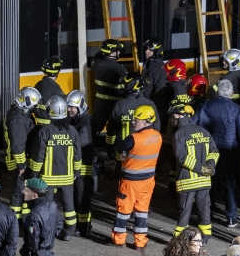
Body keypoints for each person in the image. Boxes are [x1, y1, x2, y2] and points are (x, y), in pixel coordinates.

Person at [27, 96, 82, 240]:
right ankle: (69, 232)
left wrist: (33, 174)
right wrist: (77, 172)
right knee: (69, 206)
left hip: (48, 178)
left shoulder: (45, 131)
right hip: (68, 177)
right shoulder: (72, 131)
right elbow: (77, 154)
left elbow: (38, 155)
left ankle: (47, 231)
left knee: (47, 206)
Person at [196, 79, 240, 229]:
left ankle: (208, 214)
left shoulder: (206, 106)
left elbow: (199, 126)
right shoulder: (236, 108)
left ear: (217, 92)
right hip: (229, 151)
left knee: (209, 183)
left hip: (209, 151)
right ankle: (231, 217)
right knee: (229, 184)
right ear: (231, 94)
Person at [113, 105, 162, 248]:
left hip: (130, 182)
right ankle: (140, 242)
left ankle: (119, 240)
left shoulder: (133, 138)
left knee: (123, 210)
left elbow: (119, 148)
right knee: (142, 211)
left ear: (146, 122)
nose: (134, 122)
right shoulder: (158, 136)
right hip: (148, 181)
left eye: (137, 120)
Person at [171, 102, 219, 241]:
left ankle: (179, 240)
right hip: (204, 180)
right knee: (204, 210)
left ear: (180, 116)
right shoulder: (203, 131)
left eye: (173, 116)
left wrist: (201, 168)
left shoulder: (179, 134)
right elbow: (214, 152)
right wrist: (209, 167)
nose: (171, 119)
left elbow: (182, 158)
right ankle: (205, 237)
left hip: (187, 181)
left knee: (184, 212)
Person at [101, 73, 157, 161]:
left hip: (122, 154)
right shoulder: (150, 104)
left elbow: (111, 131)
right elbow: (156, 129)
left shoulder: (120, 105)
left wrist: (110, 148)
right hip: (146, 153)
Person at [7, 87, 42, 221]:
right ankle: (15, 220)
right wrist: (21, 165)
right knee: (18, 191)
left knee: (24, 189)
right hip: (21, 161)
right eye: (33, 104)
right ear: (26, 101)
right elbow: (18, 144)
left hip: (23, 159)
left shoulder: (20, 114)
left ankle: (23, 218)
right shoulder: (18, 119)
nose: (34, 107)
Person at [66, 90, 97, 237]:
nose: (69, 109)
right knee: (76, 197)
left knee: (81, 198)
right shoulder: (76, 119)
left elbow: (79, 142)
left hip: (83, 166)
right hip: (76, 165)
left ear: (81, 106)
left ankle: (84, 227)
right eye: (68, 106)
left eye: (73, 107)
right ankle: (80, 225)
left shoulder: (86, 121)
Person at [91, 39, 128, 108]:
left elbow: (95, 57)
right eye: (117, 51)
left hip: (100, 104)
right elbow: (126, 89)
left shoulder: (97, 65)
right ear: (113, 53)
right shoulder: (121, 70)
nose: (119, 52)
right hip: (116, 104)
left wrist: (103, 51)